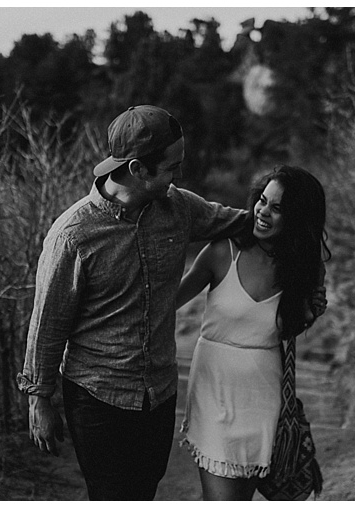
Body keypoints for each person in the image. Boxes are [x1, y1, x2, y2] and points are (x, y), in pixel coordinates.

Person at [17, 105, 253, 500]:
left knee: (144, 490)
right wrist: (39, 400)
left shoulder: (178, 208)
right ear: (138, 169)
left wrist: (296, 224)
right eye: (171, 167)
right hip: (97, 395)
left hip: (159, 393)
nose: (179, 175)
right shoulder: (73, 236)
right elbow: (48, 324)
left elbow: (239, 222)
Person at [174, 165, 330, 500]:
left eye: (277, 208)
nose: (263, 212)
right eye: (262, 200)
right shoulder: (222, 251)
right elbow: (169, 301)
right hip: (213, 389)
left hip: (264, 397)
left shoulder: (306, 267)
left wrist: (310, 313)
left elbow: (289, 330)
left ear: (298, 218)